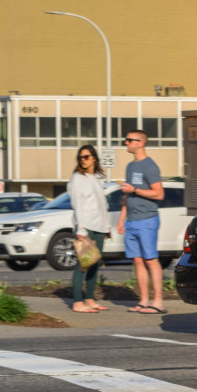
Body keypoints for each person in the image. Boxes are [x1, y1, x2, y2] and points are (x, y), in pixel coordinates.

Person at [118, 130, 166, 313]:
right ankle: (144, 300)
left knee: (151, 260)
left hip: (147, 220)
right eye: (126, 139)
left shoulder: (150, 166)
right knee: (137, 261)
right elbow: (127, 195)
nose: (126, 142)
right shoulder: (130, 166)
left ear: (141, 143)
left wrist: (135, 190)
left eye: (129, 140)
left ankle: (158, 302)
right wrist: (122, 219)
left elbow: (159, 194)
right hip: (131, 221)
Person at [68, 144, 111, 313]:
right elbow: (78, 204)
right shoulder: (78, 178)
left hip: (99, 225)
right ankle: (78, 302)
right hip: (86, 226)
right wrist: (81, 229)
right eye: (81, 157)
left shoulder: (98, 177)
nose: (83, 160)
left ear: (94, 158)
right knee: (83, 264)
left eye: (86, 157)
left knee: (95, 263)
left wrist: (107, 226)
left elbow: (102, 204)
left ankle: (90, 299)